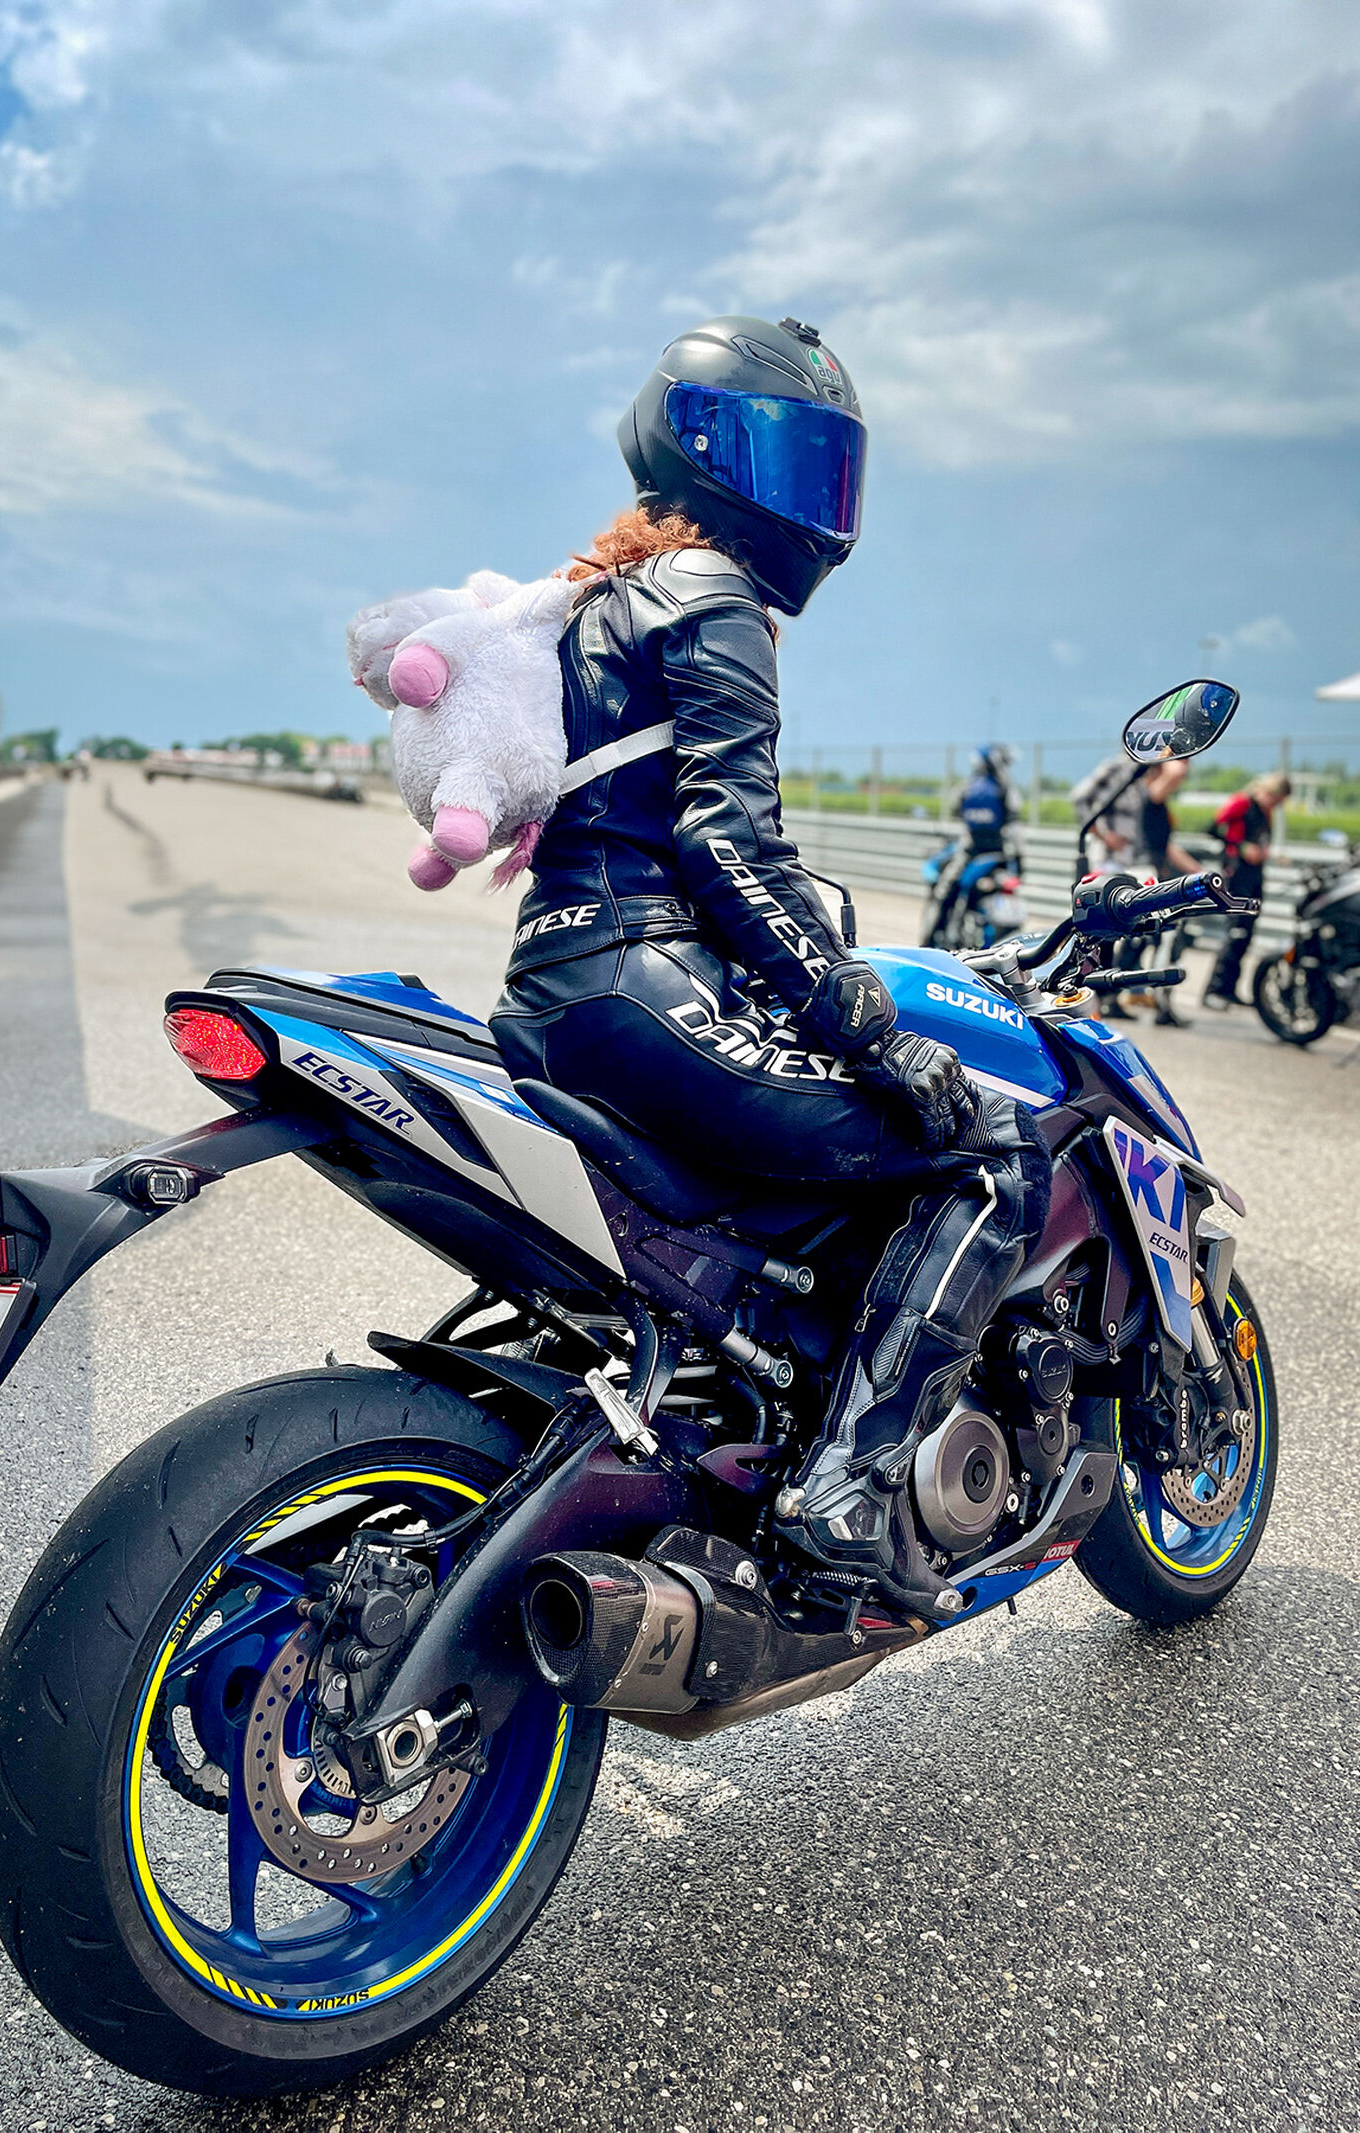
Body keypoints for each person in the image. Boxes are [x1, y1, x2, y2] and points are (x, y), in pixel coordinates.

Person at [489, 316, 1050, 1612]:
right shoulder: (711, 595)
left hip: (561, 991)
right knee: (992, 1147)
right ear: (705, 447)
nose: (814, 496)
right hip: (642, 981)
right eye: (792, 454)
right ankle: (848, 1485)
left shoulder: (599, 600)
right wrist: (873, 1028)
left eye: (828, 465)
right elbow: (730, 847)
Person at [1203, 771, 1290, 1010]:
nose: (1275, 804)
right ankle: (1214, 990)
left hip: (1254, 875)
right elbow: (1212, 828)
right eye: (1274, 798)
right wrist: (1241, 847)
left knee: (1247, 932)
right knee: (1236, 932)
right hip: (1236, 872)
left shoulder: (1265, 812)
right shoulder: (1241, 802)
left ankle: (1229, 988)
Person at [924, 744, 1017, 946]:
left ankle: (928, 943)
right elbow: (1014, 820)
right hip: (1000, 854)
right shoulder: (1005, 788)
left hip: (971, 853)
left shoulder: (967, 787)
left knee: (943, 892)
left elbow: (955, 809)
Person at [1130, 758, 1200, 1027]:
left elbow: (1167, 846)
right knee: (1166, 937)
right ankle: (1160, 1003)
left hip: (1154, 871)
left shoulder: (1154, 802)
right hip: (1149, 873)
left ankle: (1137, 999)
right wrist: (1175, 752)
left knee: (1147, 938)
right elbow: (1176, 770)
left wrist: (1198, 872)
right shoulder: (1150, 796)